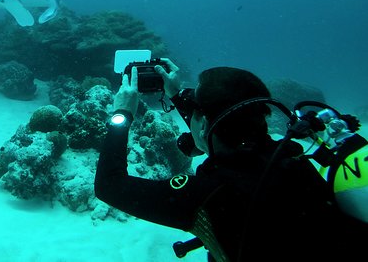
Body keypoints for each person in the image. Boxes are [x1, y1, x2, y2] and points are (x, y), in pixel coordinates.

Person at [95, 59, 365, 261]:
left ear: (203, 123)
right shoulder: (292, 159)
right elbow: (219, 126)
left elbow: (109, 185)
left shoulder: (203, 195)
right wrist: (178, 95)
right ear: (263, 115)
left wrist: (122, 114)